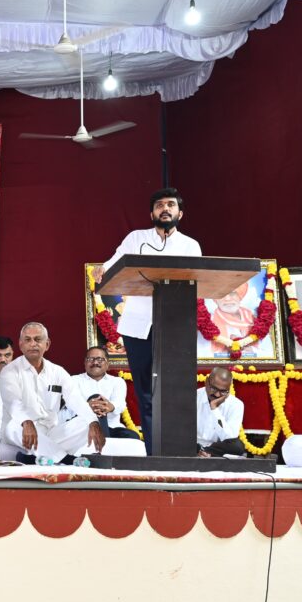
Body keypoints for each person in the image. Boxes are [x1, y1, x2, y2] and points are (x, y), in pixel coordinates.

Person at [92, 188, 201, 454]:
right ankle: (154, 453)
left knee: (173, 390)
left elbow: (198, 281)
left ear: (180, 213)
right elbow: (113, 262)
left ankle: (178, 452)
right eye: (159, 205)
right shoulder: (136, 238)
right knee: (146, 392)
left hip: (175, 327)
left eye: (171, 205)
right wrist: (102, 269)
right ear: (152, 213)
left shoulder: (190, 245)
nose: (165, 209)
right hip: (138, 326)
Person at [1, 323, 104, 464]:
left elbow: (75, 398)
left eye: (38, 339)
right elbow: (13, 402)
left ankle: (33, 457)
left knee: (86, 423)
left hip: (50, 431)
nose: (33, 344)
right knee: (13, 426)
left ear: (47, 344)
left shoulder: (57, 371)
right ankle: (66, 459)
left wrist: (93, 421)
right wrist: (26, 421)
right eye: (28, 339)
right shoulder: (10, 371)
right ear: (20, 344)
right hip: (21, 431)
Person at [68, 346, 138, 440]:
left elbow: (120, 404)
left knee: (133, 437)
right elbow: (69, 406)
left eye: (100, 359)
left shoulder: (117, 382)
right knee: (96, 397)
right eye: (90, 359)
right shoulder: (73, 381)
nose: (95, 362)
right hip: (83, 427)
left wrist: (109, 406)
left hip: (112, 427)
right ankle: (104, 442)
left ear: (107, 363)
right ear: (85, 363)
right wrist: (86, 407)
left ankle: (103, 440)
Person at [196, 368, 246, 457]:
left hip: (216, 447)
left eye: (223, 391)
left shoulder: (236, 404)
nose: (217, 395)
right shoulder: (194, 396)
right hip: (194, 444)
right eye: (214, 388)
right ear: (206, 382)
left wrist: (214, 409)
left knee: (237, 446)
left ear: (229, 388)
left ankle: (205, 453)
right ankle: (200, 452)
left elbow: (229, 437)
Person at [210, 283, 257, 355]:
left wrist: (252, 350)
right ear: (216, 300)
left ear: (239, 296)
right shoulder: (208, 322)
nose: (227, 299)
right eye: (222, 294)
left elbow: (268, 350)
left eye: (232, 293)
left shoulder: (254, 319)